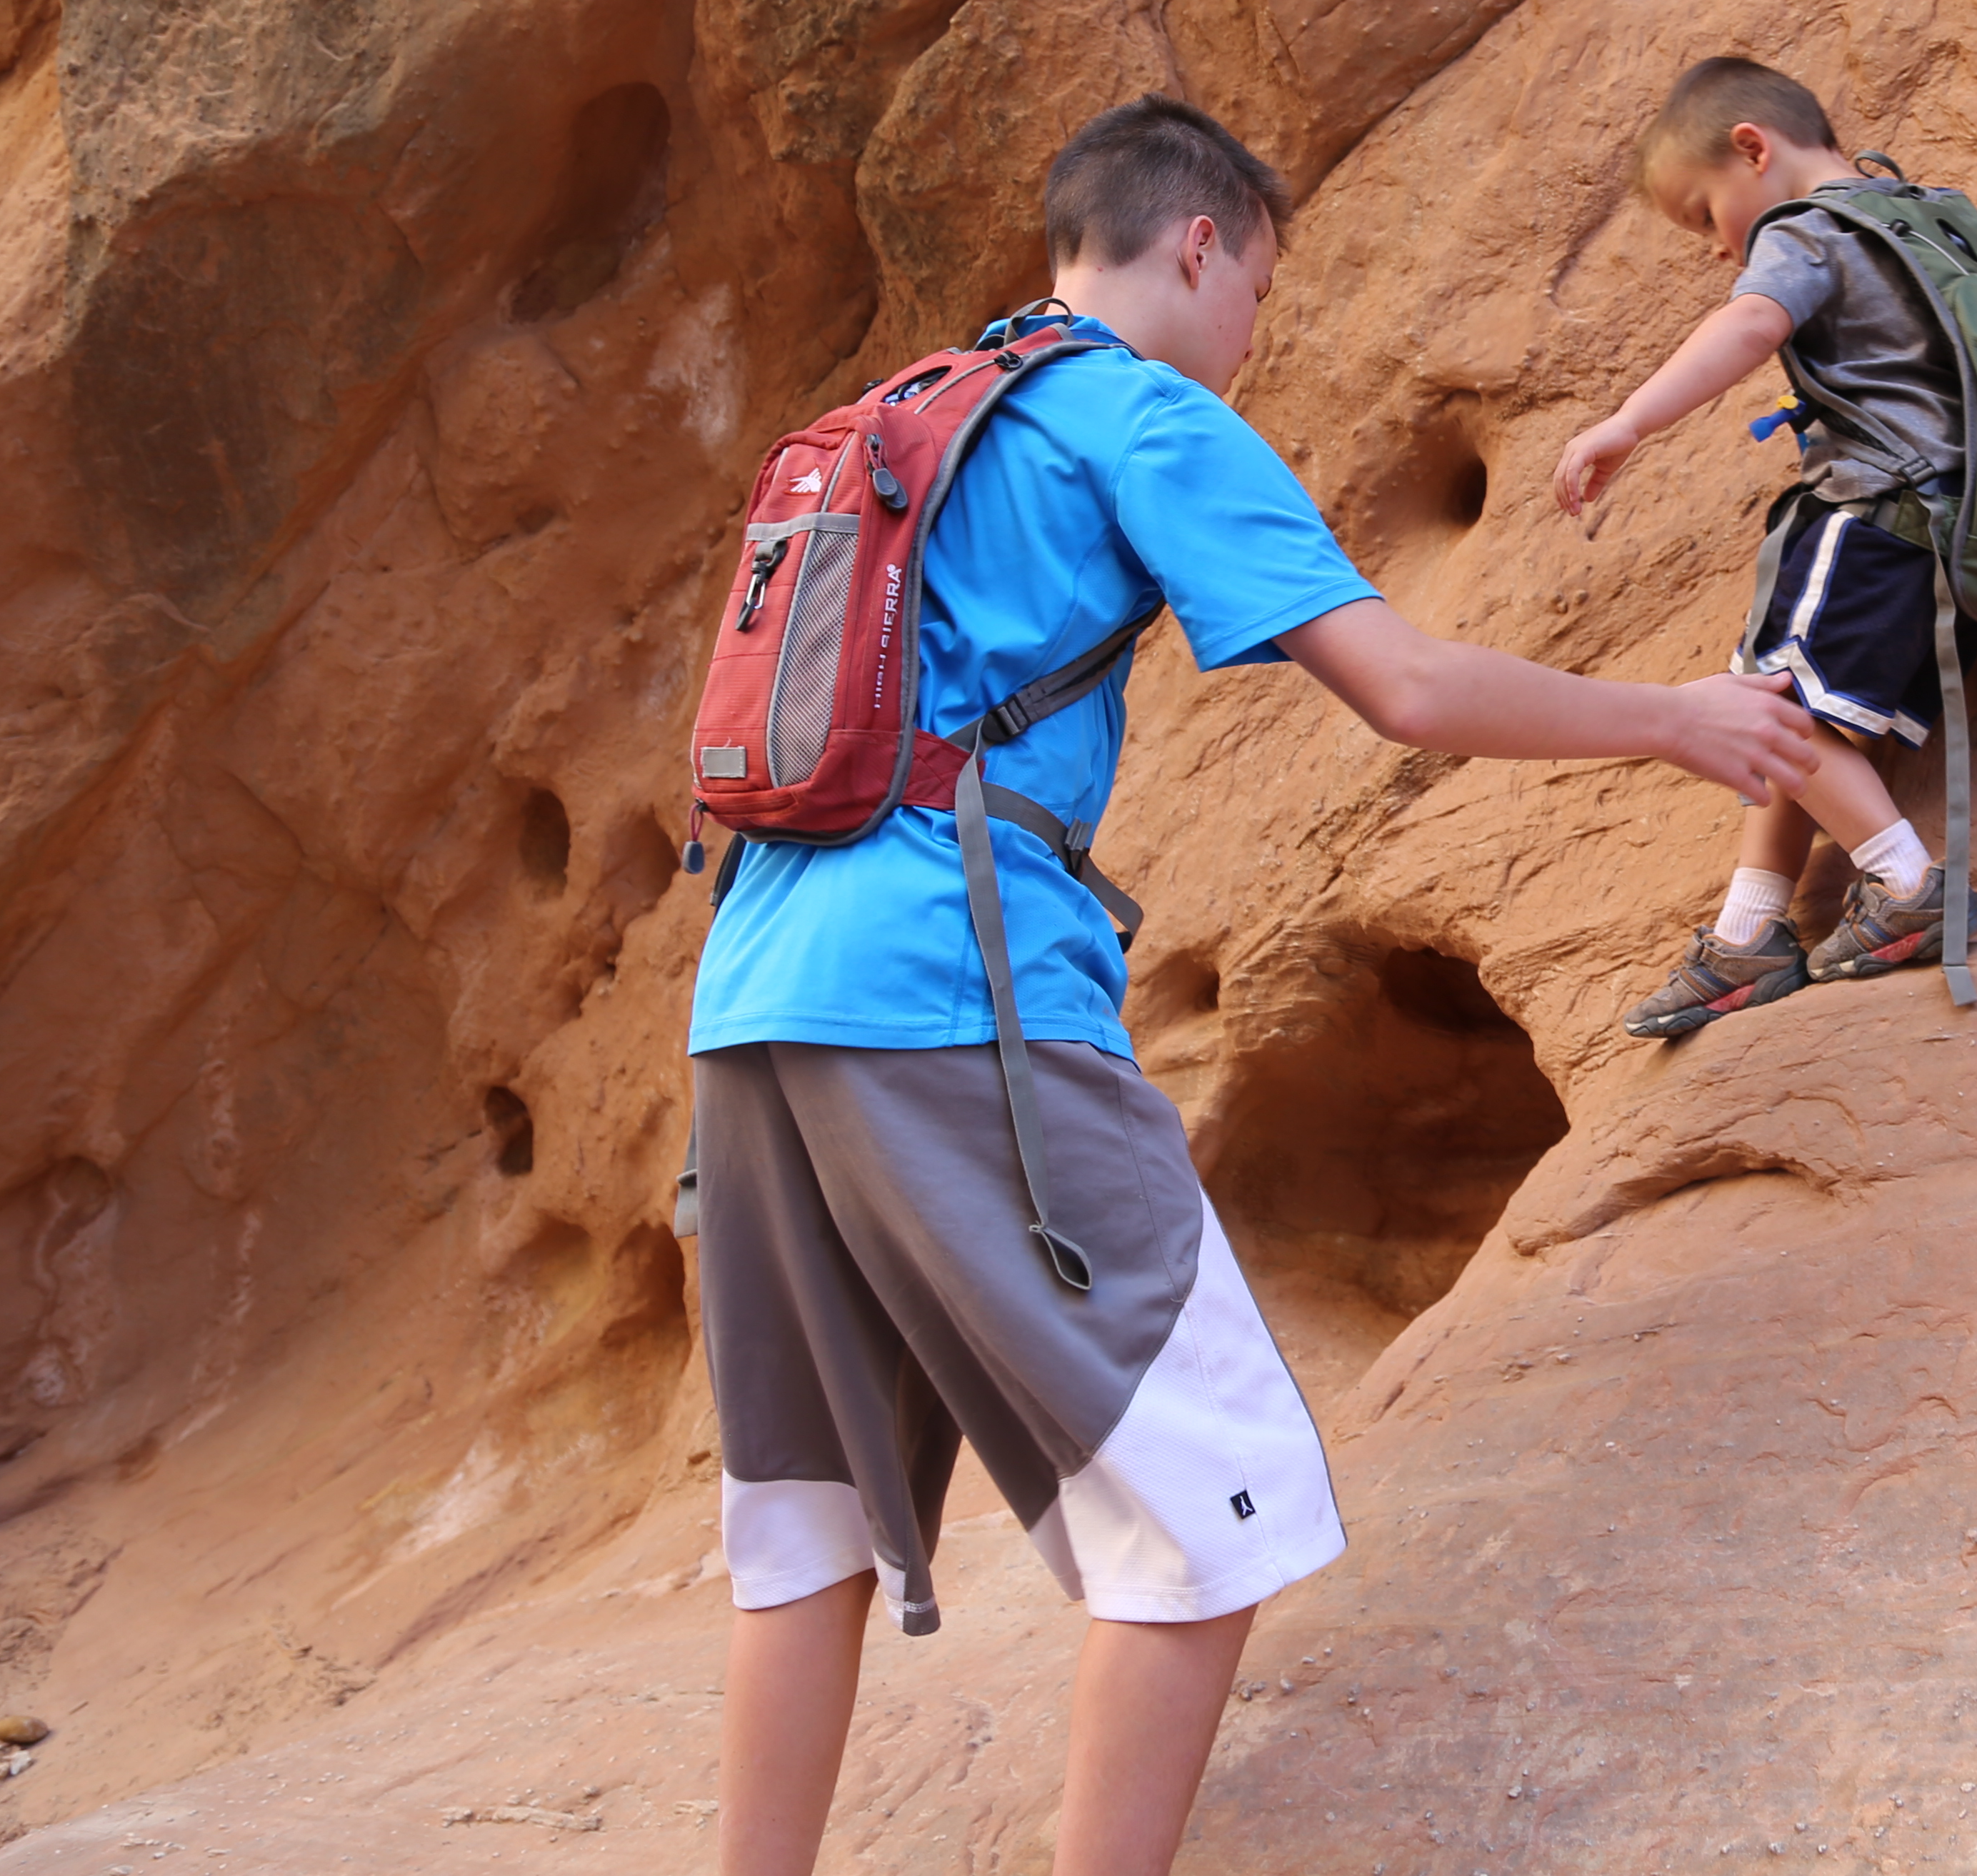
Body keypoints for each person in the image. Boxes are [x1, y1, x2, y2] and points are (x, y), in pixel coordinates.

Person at [686, 96, 1820, 1876]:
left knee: (807, 1532)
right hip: (951, 994)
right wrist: (1677, 721)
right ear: (1198, 242)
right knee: (1220, 1507)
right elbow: (1411, 690)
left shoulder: (904, 418)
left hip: (752, 1001)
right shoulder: (1142, 415)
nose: (1257, 337)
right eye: (1262, 293)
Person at [1551, 57, 1977, 1035]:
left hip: (1872, 520)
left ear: (1752, 148)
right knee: (1794, 725)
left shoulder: (1805, 232)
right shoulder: (1943, 224)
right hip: (1964, 539)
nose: (1720, 249)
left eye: (1703, 213)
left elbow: (1752, 322)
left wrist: (1630, 421)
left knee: (1775, 708)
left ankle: (1909, 884)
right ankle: (1750, 933)